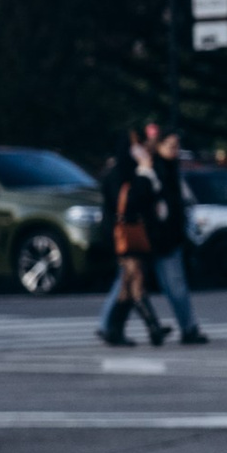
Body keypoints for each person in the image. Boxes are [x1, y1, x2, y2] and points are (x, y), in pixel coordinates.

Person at [96, 134, 172, 348]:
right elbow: (135, 200)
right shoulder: (123, 174)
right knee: (136, 281)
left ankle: (114, 330)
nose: (139, 152)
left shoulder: (124, 172)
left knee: (127, 285)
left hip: (129, 236)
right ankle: (153, 328)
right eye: (135, 148)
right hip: (126, 237)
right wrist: (146, 172)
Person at [136, 124, 209, 344]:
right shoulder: (153, 168)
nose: (175, 149)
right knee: (135, 282)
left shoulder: (170, 167)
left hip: (165, 235)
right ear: (159, 145)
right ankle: (188, 329)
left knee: (135, 283)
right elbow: (152, 203)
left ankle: (188, 328)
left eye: (177, 145)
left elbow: (177, 203)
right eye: (170, 145)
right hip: (155, 234)